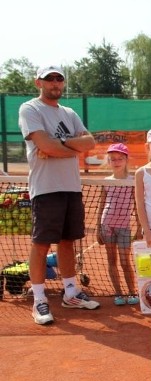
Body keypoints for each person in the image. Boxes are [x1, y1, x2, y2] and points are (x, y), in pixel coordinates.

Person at [18, 65, 100, 325]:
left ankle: (71, 293)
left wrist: (58, 146)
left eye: (58, 79)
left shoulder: (70, 113)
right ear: (38, 83)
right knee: (41, 245)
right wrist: (66, 147)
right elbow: (44, 145)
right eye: (49, 79)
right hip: (45, 189)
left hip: (71, 188)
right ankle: (40, 299)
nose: (54, 83)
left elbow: (90, 142)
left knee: (67, 242)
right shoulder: (30, 109)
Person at [96, 143, 141, 305]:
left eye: (120, 158)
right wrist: (97, 229)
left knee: (125, 261)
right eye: (113, 159)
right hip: (107, 225)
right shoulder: (106, 181)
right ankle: (118, 294)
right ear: (109, 161)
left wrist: (140, 228)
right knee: (112, 260)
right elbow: (101, 206)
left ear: (126, 160)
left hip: (124, 227)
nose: (116, 161)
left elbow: (137, 206)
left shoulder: (133, 181)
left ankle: (131, 292)